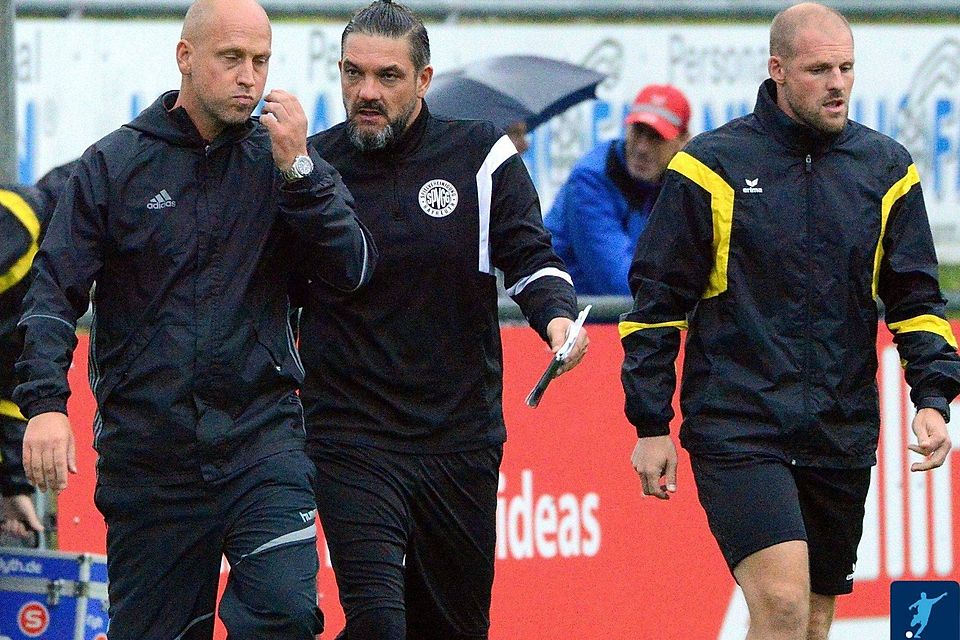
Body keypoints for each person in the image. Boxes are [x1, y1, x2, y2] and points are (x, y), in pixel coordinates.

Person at [14, 0, 375, 637]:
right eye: (231, 58)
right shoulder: (112, 166)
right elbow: (51, 293)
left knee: (286, 614)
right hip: (150, 457)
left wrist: (301, 172)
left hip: (261, 444)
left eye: (260, 61)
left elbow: (350, 269)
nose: (249, 77)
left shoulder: (286, 162)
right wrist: (44, 405)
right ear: (185, 57)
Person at [620, 4, 960, 640]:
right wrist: (650, 422)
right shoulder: (708, 167)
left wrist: (933, 396)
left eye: (846, 68)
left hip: (840, 430)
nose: (837, 83)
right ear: (776, 70)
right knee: (779, 603)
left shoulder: (887, 170)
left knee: (810, 622)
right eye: (818, 69)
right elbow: (657, 304)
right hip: (739, 425)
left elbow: (916, 298)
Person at [298, 2, 588, 638]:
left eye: (387, 77)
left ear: (424, 80)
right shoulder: (309, 168)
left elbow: (531, 256)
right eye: (353, 74)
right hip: (350, 434)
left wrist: (559, 321)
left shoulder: (482, 158)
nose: (366, 92)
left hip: (458, 437)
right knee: (377, 624)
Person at [544, 84, 690, 296]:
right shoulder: (589, 180)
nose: (642, 148)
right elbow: (619, 284)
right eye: (638, 131)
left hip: (610, 317)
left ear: (683, 141)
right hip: (574, 321)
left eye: (656, 137)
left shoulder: (681, 180)